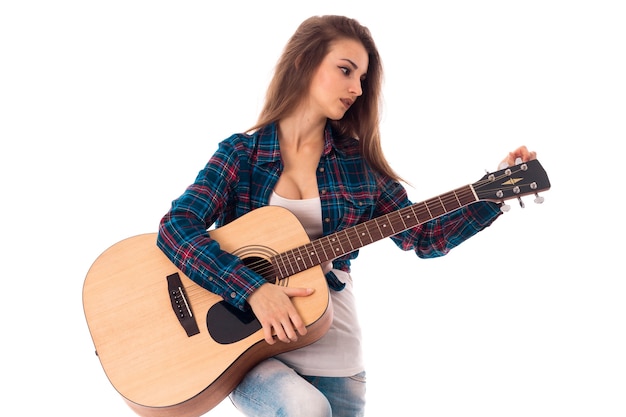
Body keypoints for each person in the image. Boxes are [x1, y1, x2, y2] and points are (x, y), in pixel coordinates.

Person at [156, 15, 536, 417]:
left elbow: (425, 238)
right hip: (255, 350)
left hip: (339, 356)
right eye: (345, 70)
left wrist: (491, 195)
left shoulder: (359, 166)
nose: (356, 88)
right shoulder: (241, 156)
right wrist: (252, 288)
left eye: (362, 79)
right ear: (304, 62)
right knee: (305, 409)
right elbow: (176, 228)